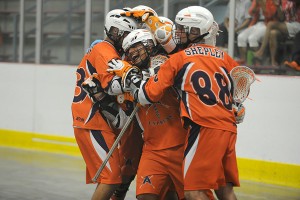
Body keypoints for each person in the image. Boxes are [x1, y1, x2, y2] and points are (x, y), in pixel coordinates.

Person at [114, 6, 244, 200]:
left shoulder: (178, 59)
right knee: (225, 191)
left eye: (183, 29)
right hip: (228, 128)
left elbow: (146, 95)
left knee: (194, 192)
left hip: (203, 128)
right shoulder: (226, 58)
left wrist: (130, 76)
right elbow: (238, 94)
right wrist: (238, 107)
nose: (178, 33)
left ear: (196, 31)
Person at [71, 9, 139, 200]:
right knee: (110, 179)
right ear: (115, 31)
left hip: (99, 118)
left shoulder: (108, 50)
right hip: (92, 118)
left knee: (113, 177)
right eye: (125, 34)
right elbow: (112, 86)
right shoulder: (104, 50)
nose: (128, 40)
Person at [254, 0, 300, 66]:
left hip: (297, 25)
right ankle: (273, 62)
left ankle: (261, 51)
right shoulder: (283, 2)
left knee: (271, 24)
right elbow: (281, 18)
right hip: (287, 25)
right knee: (273, 33)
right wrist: (277, 6)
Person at [236, 0, 279, 64]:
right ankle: (244, 60)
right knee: (241, 37)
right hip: (257, 23)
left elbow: (270, 15)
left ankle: (258, 62)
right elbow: (251, 12)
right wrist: (256, 5)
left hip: (268, 24)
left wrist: (262, 4)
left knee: (252, 38)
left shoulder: (271, 1)